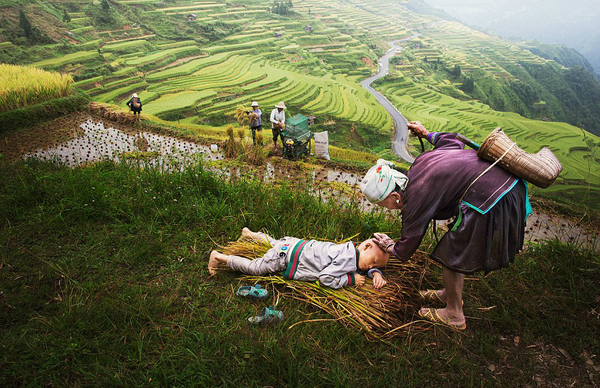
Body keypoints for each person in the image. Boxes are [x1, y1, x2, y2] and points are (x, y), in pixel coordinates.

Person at [359, 121, 530, 330]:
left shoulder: (415, 198)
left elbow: (406, 248)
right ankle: (448, 294)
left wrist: (389, 247)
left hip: (494, 198)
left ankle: (454, 315)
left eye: (382, 204)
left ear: (395, 196)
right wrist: (426, 133)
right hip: (506, 184)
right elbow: (453, 139)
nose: (385, 208)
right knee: (454, 244)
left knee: (451, 253)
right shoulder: (420, 164)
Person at [208, 228, 389, 289]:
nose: (368, 266)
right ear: (365, 247)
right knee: (255, 268)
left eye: (374, 265)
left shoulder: (350, 250)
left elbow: (361, 267)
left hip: (294, 245)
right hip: (285, 258)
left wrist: (375, 273)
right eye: (372, 261)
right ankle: (219, 257)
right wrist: (349, 280)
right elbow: (325, 278)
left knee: (274, 243)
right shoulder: (347, 261)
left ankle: (250, 234)